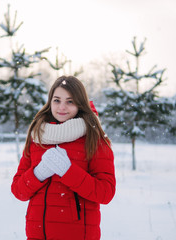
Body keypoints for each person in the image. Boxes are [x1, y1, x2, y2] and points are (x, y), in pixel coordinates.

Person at [11, 75, 116, 240]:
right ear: (50, 102)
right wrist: (39, 172)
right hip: (37, 235)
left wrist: (68, 171)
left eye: (70, 101)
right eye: (57, 100)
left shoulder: (93, 139)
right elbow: (18, 191)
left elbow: (105, 193)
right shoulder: (37, 137)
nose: (62, 107)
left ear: (80, 104)